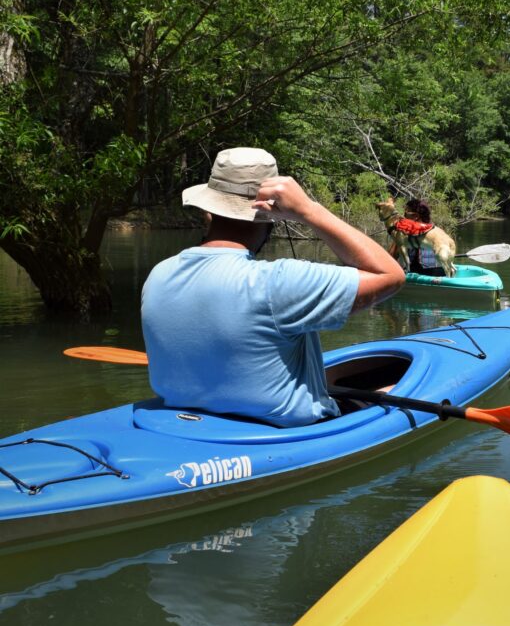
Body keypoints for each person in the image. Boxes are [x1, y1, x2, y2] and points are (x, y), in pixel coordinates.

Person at [141, 147, 404, 427]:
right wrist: (308, 211)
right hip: (285, 434)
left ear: (208, 212)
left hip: (185, 424)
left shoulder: (158, 274)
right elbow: (390, 274)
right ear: (272, 217)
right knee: (388, 390)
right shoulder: (277, 282)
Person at [390, 198, 446, 277]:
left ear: (415, 216)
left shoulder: (405, 233)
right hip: (440, 273)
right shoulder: (437, 231)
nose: (403, 217)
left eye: (405, 214)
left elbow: (390, 258)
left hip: (418, 274)